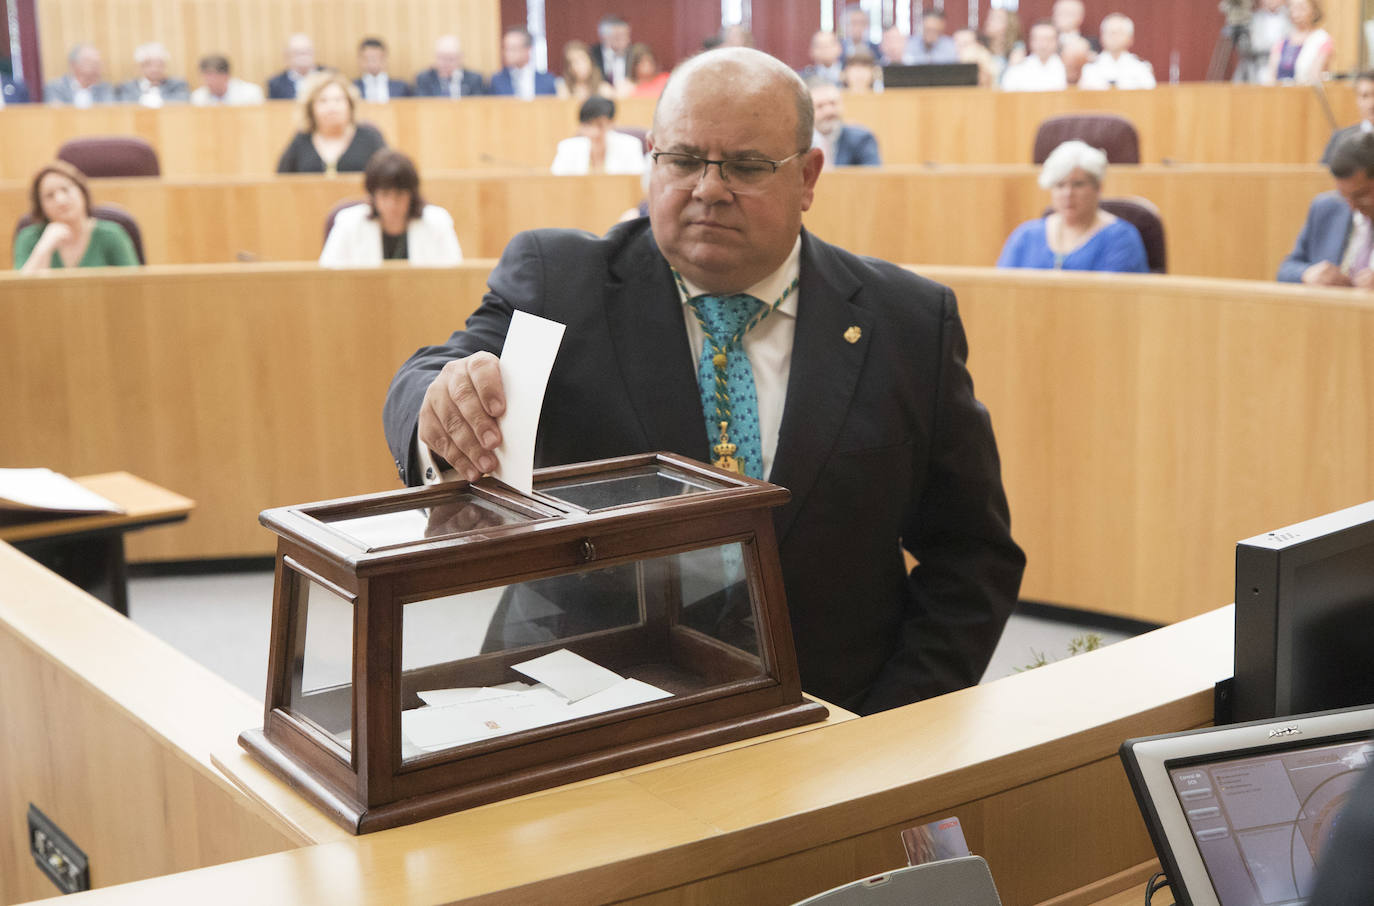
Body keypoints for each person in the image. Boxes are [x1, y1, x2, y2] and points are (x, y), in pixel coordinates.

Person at [382, 46, 1025, 715]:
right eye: (684, 160)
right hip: (579, 713)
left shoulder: (909, 324)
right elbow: (427, 376)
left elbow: (972, 557)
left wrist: (895, 723)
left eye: (746, 166)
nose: (708, 189)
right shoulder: (561, 283)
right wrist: (441, 405)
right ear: (652, 160)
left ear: (808, 176)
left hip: (827, 725)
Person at [997, 140, 1148, 272]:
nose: (1068, 193)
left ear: (1098, 187)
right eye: (1060, 185)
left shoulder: (1121, 239)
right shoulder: (1026, 236)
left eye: (1078, 184)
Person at [320, 150, 462, 268]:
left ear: (412, 195)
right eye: (384, 195)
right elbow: (329, 278)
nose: (391, 204)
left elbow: (452, 278)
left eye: (399, 195)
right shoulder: (348, 223)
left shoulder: (437, 222)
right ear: (372, 195)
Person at [1279, 131, 1374, 286]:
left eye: (1360, 195)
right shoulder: (1327, 208)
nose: (1352, 206)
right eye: (1345, 196)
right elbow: (1286, 270)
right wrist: (1308, 273)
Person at [13, 161, 138, 272]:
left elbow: (135, 287)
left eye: (66, 189)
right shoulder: (29, 238)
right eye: (50, 195)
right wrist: (44, 247)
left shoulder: (112, 235)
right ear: (41, 207)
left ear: (82, 191)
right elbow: (20, 292)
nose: (60, 200)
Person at [276, 71, 386, 174]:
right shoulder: (302, 139)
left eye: (338, 100)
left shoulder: (369, 136)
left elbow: (389, 176)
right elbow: (282, 181)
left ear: (350, 105)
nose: (332, 107)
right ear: (310, 108)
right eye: (323, 101)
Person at [550, 96, 646, 175]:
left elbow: (637, 184)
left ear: (612, 124)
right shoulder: (567, 148)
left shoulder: (630, 146)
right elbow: (556, 184)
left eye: (600, 125)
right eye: (588, 125)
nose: (594, 132)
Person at [808, 79, 880, 168]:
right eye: (820, 106)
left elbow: (873, 178)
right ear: (808, 112)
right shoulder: (800, 143)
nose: (829, 111)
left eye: (833, 104)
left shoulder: (862, 139)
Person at [1078, 14, 1156, 89]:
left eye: (1119, 33)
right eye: (1110, 32)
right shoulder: (1090, 68)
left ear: (1130, 38)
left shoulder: (1141, 67)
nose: (1113, 37)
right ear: (1101, 37)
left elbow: (1149, 95)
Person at [1264, 0, 1331, 84]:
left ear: (1314, 11)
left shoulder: (1321, 39)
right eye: (1292, 7)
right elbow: (1271, 76)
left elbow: (1314, 76)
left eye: (1301, 8)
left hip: (1304, 94)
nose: (1296, 13)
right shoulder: (1282, 40)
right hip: (1279, 94)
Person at [488, 26, 556, 99]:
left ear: (527, 50)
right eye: (505, 48)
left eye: (512, 48)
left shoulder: (547, 81)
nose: (507, 53)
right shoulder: (497, 81)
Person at [1322, 71, 1374, 163]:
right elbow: (1323, 174)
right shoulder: (1341, 138)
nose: (1371, 103)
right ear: (1357, 100)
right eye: (1365, 96)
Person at [115, 42, 189, 107]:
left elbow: (182, 101)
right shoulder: (127, 88)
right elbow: (123, 105)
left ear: (165, 66)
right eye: (148, 64)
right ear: (139, 67)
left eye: (159, 65)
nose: (154, 69)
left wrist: (158, 101)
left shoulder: (178, 85)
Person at [1235, 0, 1291, 83]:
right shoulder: (1254, 19)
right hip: (1259, 67)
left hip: (1284, 66)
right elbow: (1252, 46)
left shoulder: (1290, 17)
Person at [1001, 21, 1067, 92]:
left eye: (1048, 39)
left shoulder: (1067, 65)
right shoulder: (1018, 67)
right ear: (1031, 41)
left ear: (1057, 42)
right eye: (1039, 39)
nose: (1044, 45)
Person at [414, 35, 485, 98]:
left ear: (460, 58)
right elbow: (423, 104)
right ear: (435, 57)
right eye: (442, 58)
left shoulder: (474, 79)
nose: (446, 63)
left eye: (451, 59)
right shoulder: (424, 79)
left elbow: (477, 104)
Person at [45, 43, 114, 107]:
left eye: (98, 62)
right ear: (74, 64)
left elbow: (110, 112)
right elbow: (55, 113)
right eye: (90, 62)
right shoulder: (56, 88)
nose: (96, 66)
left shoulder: (105, 88)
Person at [190, 54, 263, 105]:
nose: (209, 80)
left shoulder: (251, 93)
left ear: (226, 75)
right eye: (206, 75)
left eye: (213, 75)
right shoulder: (198, 97)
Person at [354, 37, 411, 102]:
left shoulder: (401, 87)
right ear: (359, 60)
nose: (371, 63)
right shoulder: (353, 87)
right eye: (366, 59)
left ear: (385, 59)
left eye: (375, 58)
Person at [981, 7, 1025, 77]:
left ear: (1009, 25)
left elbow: (1013, 74)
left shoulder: (1017, 47)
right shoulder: (980, 47)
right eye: (989, 18)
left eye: (994, 19)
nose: (988, 22)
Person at [591, 15, 632, 86]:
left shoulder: (635, 53)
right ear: (604, 37)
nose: (627, 40)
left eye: (626, 35)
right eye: (618, 36)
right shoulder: (591, 55)